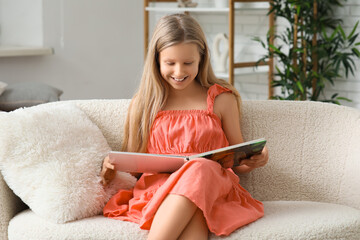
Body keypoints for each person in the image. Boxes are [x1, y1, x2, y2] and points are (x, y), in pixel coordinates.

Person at [100, 13, 269, 240]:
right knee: (195, 200)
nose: (179, 72)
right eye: (170, 63)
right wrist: (110, 166)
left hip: (214, 190)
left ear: (201, 59)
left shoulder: (221, 99)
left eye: (188, 63)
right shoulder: (145, 103)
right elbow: (134, 164)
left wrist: (256, 158)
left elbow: (237, 162)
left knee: (200, 168)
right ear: (157, 60)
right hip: (161, 192)